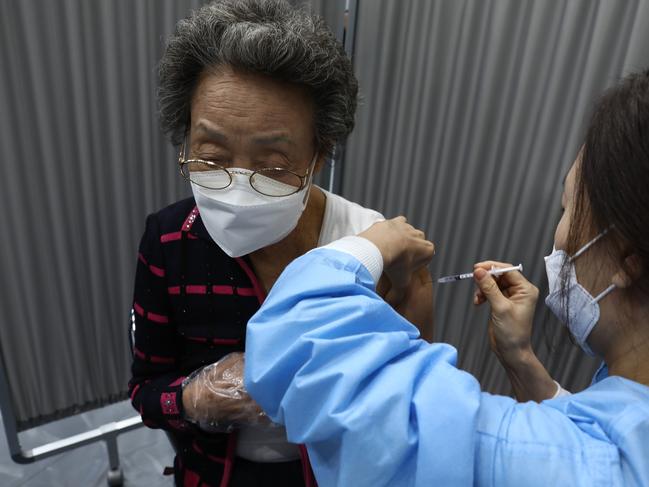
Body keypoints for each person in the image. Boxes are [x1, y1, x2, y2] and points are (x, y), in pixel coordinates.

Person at [244, 70, 649, 485]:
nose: (559, 232)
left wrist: (372, 246)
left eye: (568, 209)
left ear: (625, 259)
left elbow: (292, 337)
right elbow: (586, 431)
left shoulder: (502, 453)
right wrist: (521, 359)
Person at [127, 1, 433, 486]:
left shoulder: (366, 240)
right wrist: (196, 396)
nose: (237, 186)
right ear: (184, 139)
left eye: (271, 167)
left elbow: (407, 389)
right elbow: (146, 392)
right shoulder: (169, 241)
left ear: (319, 154)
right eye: (211, 155)